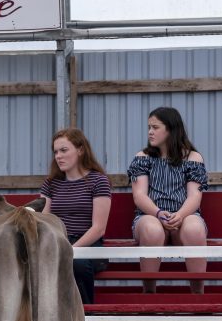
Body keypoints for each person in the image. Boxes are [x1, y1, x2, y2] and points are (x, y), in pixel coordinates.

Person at [128, 107, 208, 294]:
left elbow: (195, 196)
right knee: (152, 229)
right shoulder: (143, 158)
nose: (150, 132)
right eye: (149, 127)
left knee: (194, 229)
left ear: (171, 129)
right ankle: (149, 294)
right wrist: (158, 213)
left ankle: (198, 295)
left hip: (184, 216)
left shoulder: (192, 158)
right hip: (150, 215)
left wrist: (179, 215)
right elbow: (139, 196)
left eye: (155, 127)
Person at [40, 128, 112, 305]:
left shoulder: (98, 181)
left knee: (76, 264)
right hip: (57, 241)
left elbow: (99, 228)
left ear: (80, 150)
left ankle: (86, 314)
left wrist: (71, 249)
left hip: (88, 245)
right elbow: (44, 220)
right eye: (56, 152)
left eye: (64, 150)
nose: (58, 156)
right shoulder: (51, 183)